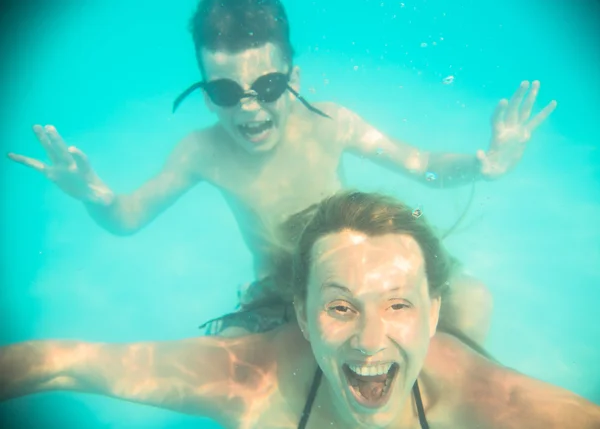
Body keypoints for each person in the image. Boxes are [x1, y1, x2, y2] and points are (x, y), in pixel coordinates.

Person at [6, 0, 557, 344]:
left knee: (470, 300)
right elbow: (128, 217)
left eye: (267, 87)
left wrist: (483, 165)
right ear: (204, 95)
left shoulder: (331, 123)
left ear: (293, 76)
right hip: (281, 285)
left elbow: (422, 165)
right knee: (227, 362)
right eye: (225, 91)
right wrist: (94, 195)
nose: (249, 109)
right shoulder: (201, 152)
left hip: (361, 263)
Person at [0, 191, 597, 429]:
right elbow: (57, 362)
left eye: (398, 304)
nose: (369, 340)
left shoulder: (492, 405)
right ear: (307, 317)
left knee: (477, 303)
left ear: (429, 314)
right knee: (245, 318)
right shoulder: (250, 381)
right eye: (341, 307)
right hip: (271, 335)